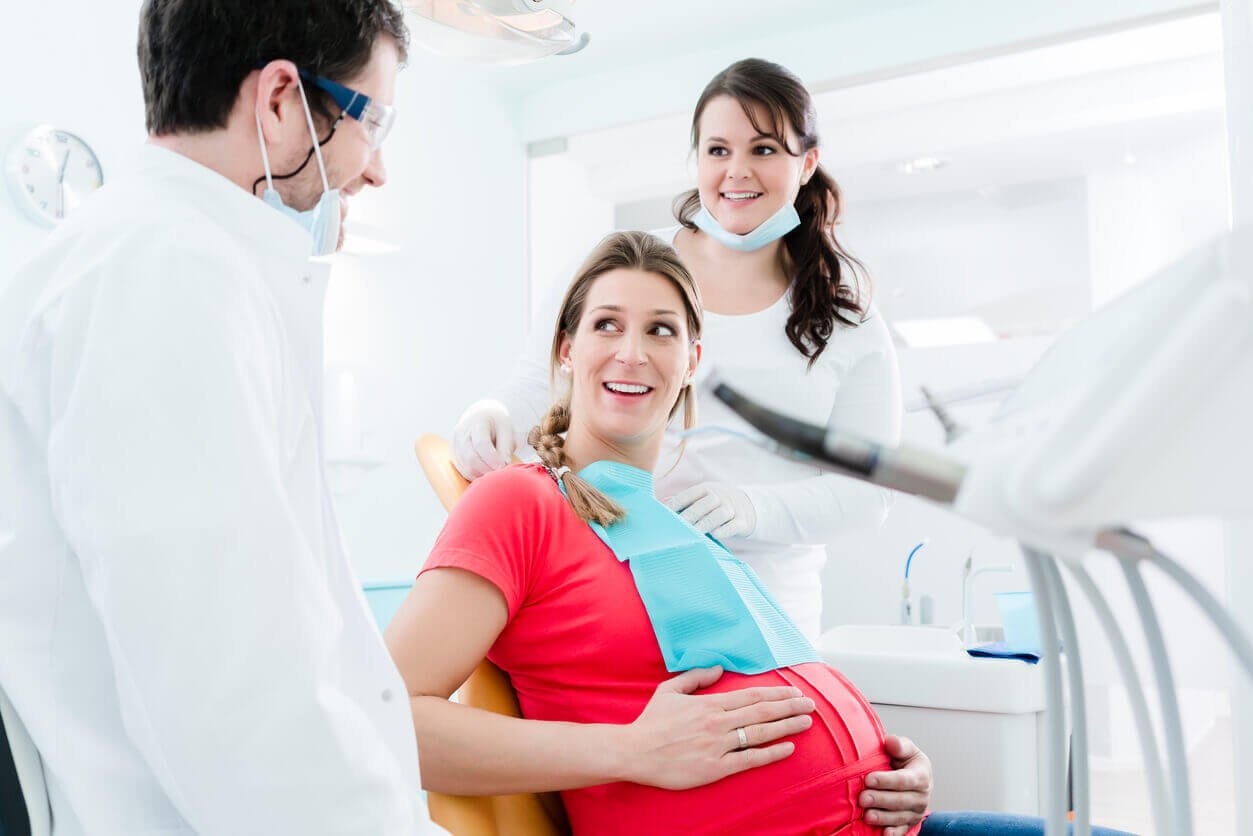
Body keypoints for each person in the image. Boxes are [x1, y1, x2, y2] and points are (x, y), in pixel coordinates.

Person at [388, 232, 1137, 836]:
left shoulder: (672, 528)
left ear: (691, 363)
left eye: (661, 331)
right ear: (565, 351)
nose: (631, 351)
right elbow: (386, 716)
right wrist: (629, 750)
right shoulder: (520, 502)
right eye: (605, 324)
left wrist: (886, 762)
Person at [0, 1, 442, 833]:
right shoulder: (168, 274)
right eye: (370, 122)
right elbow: (237, 698)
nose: (374, 170)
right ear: (279, 100)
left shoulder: (157, 257)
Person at [452, 58, 900, 644]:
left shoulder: (848, 321)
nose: (737, 171)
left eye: (763, 149)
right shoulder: (627, 265)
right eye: (717, 150)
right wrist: (492, 417)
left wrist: (751, 508)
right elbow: (543, 382)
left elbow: (868, 495)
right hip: (612, 588)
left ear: (807, 163)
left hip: (764, 618)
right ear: (697, 160)